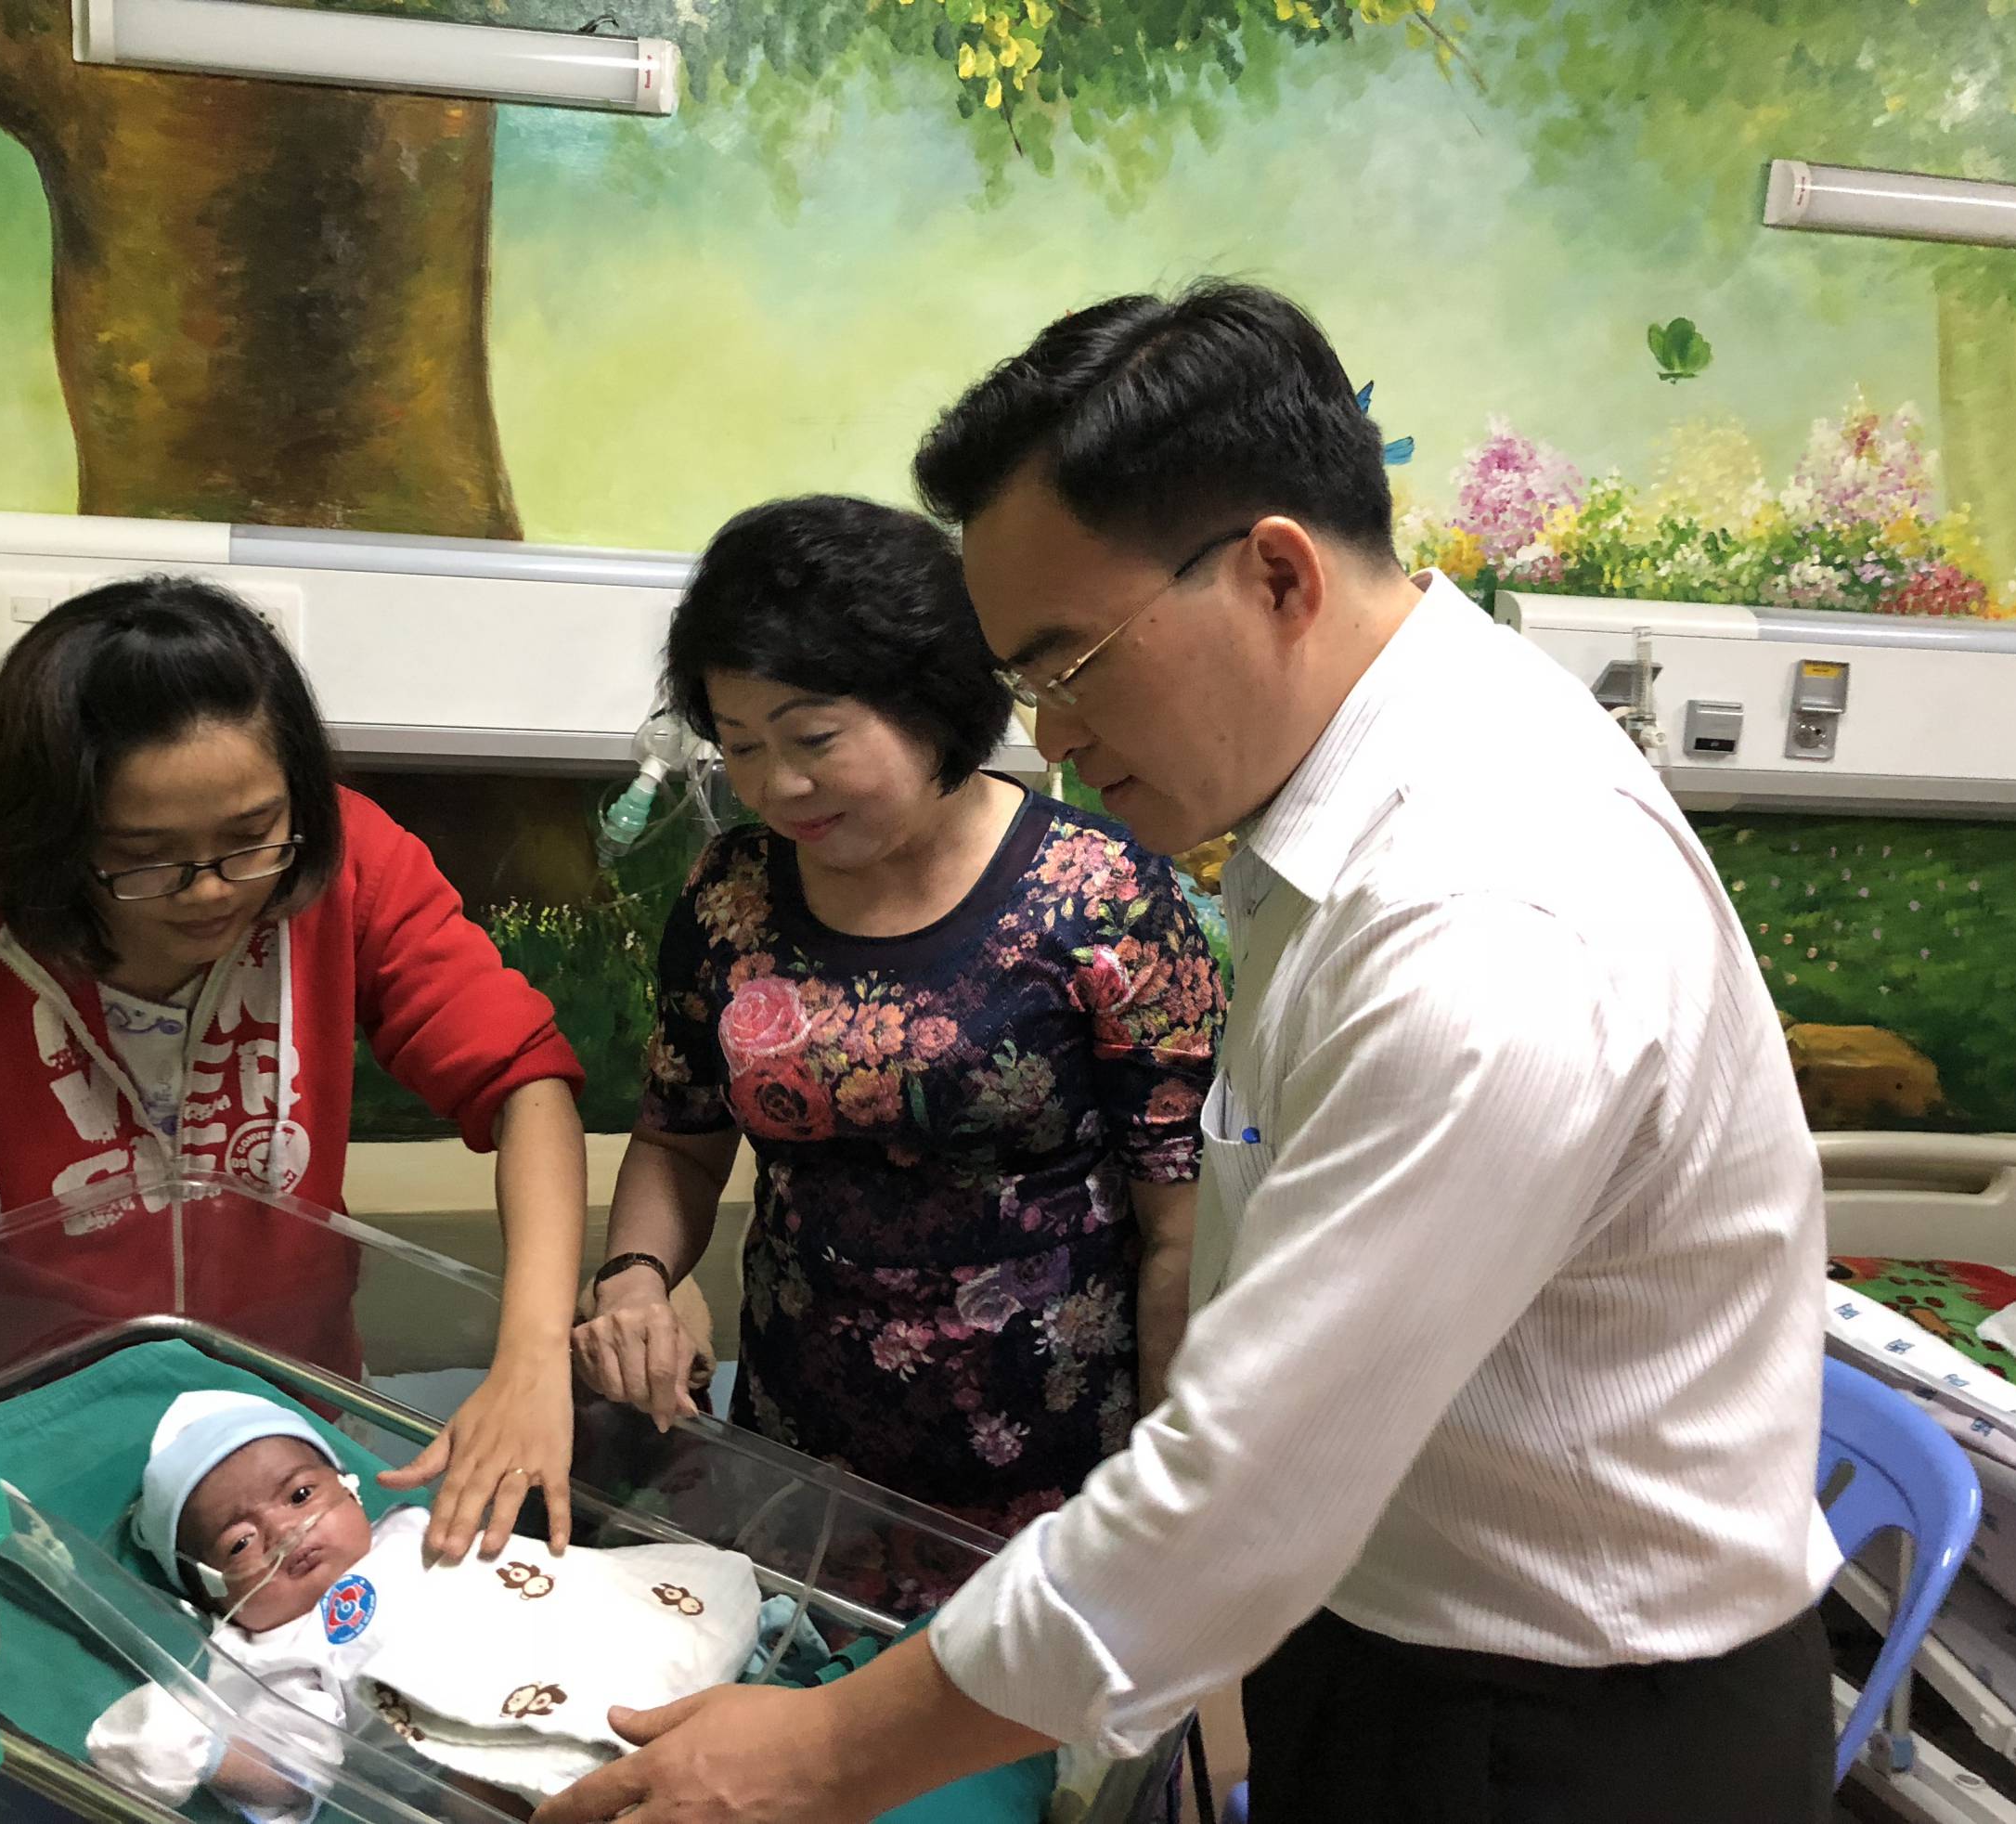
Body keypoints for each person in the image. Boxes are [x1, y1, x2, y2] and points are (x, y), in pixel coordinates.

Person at [536, 284, 1836, 1824]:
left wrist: (821, 1756)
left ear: (1275, 574)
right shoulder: (1360, 794)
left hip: (1557, 1726)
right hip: (1376, 1623)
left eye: (1070, 666)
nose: (1051, 736)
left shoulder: (1485, 929)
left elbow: (1240, 1495)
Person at [0, 577, 589, 1561]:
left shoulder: (349, 860)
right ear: (47, 834)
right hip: (7, 1438)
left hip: (279, 1427)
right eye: (145, 858)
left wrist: (534, 1357)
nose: (210, 891)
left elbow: (524, 1082)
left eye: (251, 839)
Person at [569, 495, 1220, 1606]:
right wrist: (633, 1278)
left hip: (1051, 1478)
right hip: (794, 1455)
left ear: (928, 701)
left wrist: (1165, 1500)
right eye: (740, 746)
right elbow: (679, 1140)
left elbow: (1181, 1226)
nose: (775, 785)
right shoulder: (730, 894)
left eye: (813, 739)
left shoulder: (1103, 898)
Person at [87, 1391, 760, 1820]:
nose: (285, 1531)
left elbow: (536, 1575)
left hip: (575, 1641)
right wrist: (207, 1755)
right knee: (481, 1799)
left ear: (349, 1488)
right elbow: (294, 1769)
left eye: (300, 1495)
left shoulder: (412, 1528)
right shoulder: (276, 1649)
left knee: (661, 1615)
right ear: (210, 1590)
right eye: (240, 1541)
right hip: (474, 1751)